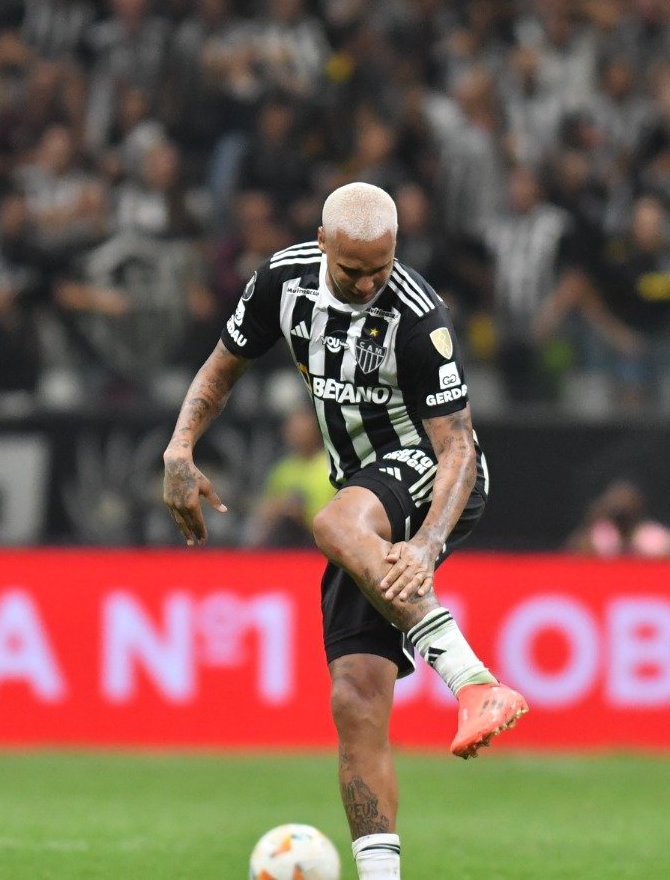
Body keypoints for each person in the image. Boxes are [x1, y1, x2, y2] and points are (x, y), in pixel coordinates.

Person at [162, 182, 527, 880]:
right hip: (366, 495)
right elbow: (222, 368)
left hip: (435, 475)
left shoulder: (420, 319)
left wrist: (423, 545)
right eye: (352, 269)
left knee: (331, 520)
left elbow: (459, 447)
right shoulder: (281, 282)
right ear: (323, 243)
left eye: (380, 268)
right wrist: (181, 448)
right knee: (354, 695)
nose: (366, 283)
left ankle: (472, 679)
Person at [246, 406, 336, 548]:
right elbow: (266, 511)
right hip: (284, 541)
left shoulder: (331, 467)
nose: (296, 433)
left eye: (301, 428)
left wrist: (302, 514)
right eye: (292, 428)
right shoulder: (282, 470)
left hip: (319, 541)